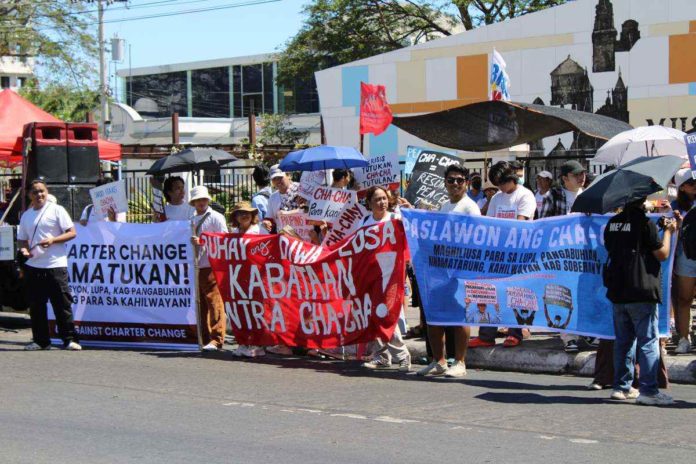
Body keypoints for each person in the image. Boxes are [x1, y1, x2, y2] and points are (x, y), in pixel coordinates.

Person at [603, 198, 679, 405]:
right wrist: (669, 231)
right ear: (642, 200)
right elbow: (661, 254)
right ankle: (649, 390)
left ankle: (621, 387)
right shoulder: (644, 223)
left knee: (623, 341)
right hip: (641, 289)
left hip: (618, 289)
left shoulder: (612, 223)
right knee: (647, 341)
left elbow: (615, 247)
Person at [417, 164, 479, 378]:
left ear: (466, 183)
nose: (455, 184)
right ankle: (439, 361)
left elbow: (476, 238)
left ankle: (460, 362)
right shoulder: (444, 206)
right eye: (451, 180)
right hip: (440, 271)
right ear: (445, 183)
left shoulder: (470, 208)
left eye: (459, 180)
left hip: (460, 270)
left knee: (459, 317)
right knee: (434, 317)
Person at [470, 161, 535, 348]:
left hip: (518, 253)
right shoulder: (497, 198)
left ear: (510, 178)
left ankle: (515, 333)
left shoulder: (525, 195)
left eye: (502, 183)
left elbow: (520, 223)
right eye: (497, 184)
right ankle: (486, 335)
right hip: (497, 254)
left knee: (516, 293)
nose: (500, 187)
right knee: (489, 293)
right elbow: (490, 223)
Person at [17, 180, 80, 351]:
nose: (39, 195)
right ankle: (41, 341)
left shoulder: (57, 210)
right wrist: (24, 250)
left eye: (42, 191)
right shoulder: (26, 215)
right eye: (35, 192)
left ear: (47, 192)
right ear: (29, 194)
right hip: (34, 266)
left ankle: (68, 339)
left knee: (62, 304)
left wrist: (53, 240)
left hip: (56, 265)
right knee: (36, 306)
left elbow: (72, 232)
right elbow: (22, 239)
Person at [361, 185, 412, 371]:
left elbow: (413, 233)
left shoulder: (396, 219)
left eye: (384, 198)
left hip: (392, 276)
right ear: (369, 203)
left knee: (388, 315)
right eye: (377, 199)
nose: (381, 202)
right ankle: (382, 356)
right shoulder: (364, 222)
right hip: (372, 276)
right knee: (375, 315)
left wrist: (411, 211)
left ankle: (402, 354)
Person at [539, 161, 588, 352]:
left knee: (582, 293)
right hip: (560, 255)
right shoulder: (553, 195)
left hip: (584, 254)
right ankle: (568, 336)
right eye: (576, 175)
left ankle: (586, 332)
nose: (581, 177)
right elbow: (543, 223)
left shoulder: (588, 195)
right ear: (565, 178)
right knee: (562, 294)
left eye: (582, 174)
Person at [189, 186, 228, 352]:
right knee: (201, 304)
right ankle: (204, 337)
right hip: (196, 265)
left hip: (211, 264)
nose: (201, 202)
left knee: (214, 301)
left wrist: (203, 243)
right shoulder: (191, 219)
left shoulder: (216, 217)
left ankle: (217, 337)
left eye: (203, 199)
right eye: (198, 200)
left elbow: (224, 239)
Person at [229, 201, 266, 358]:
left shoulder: (260, 230)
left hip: (257, 276)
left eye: (247, 213)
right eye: (240, 213)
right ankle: (244, 342)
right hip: (239, 278)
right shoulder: (232, 232)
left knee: (256, 310)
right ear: (235, 217)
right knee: (242, 310)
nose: (244, 215)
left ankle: (258, 344)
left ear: (252, 215)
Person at [670, 168, 696, 353]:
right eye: (691, 184)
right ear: (682, 187)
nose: (695, 187)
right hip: (685, 256)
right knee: (684, 299)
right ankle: (684, 338)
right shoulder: (674, 206)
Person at [263, 165, 298, 232]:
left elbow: (306, 211)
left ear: (288, 175)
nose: (277, 181)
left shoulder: (300, 190)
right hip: (284, 238)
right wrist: (266, 223)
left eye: (280, 177)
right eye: (274, 179)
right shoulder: (273, 197)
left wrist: (287, 213)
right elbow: (269, 218)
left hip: (304, 236)